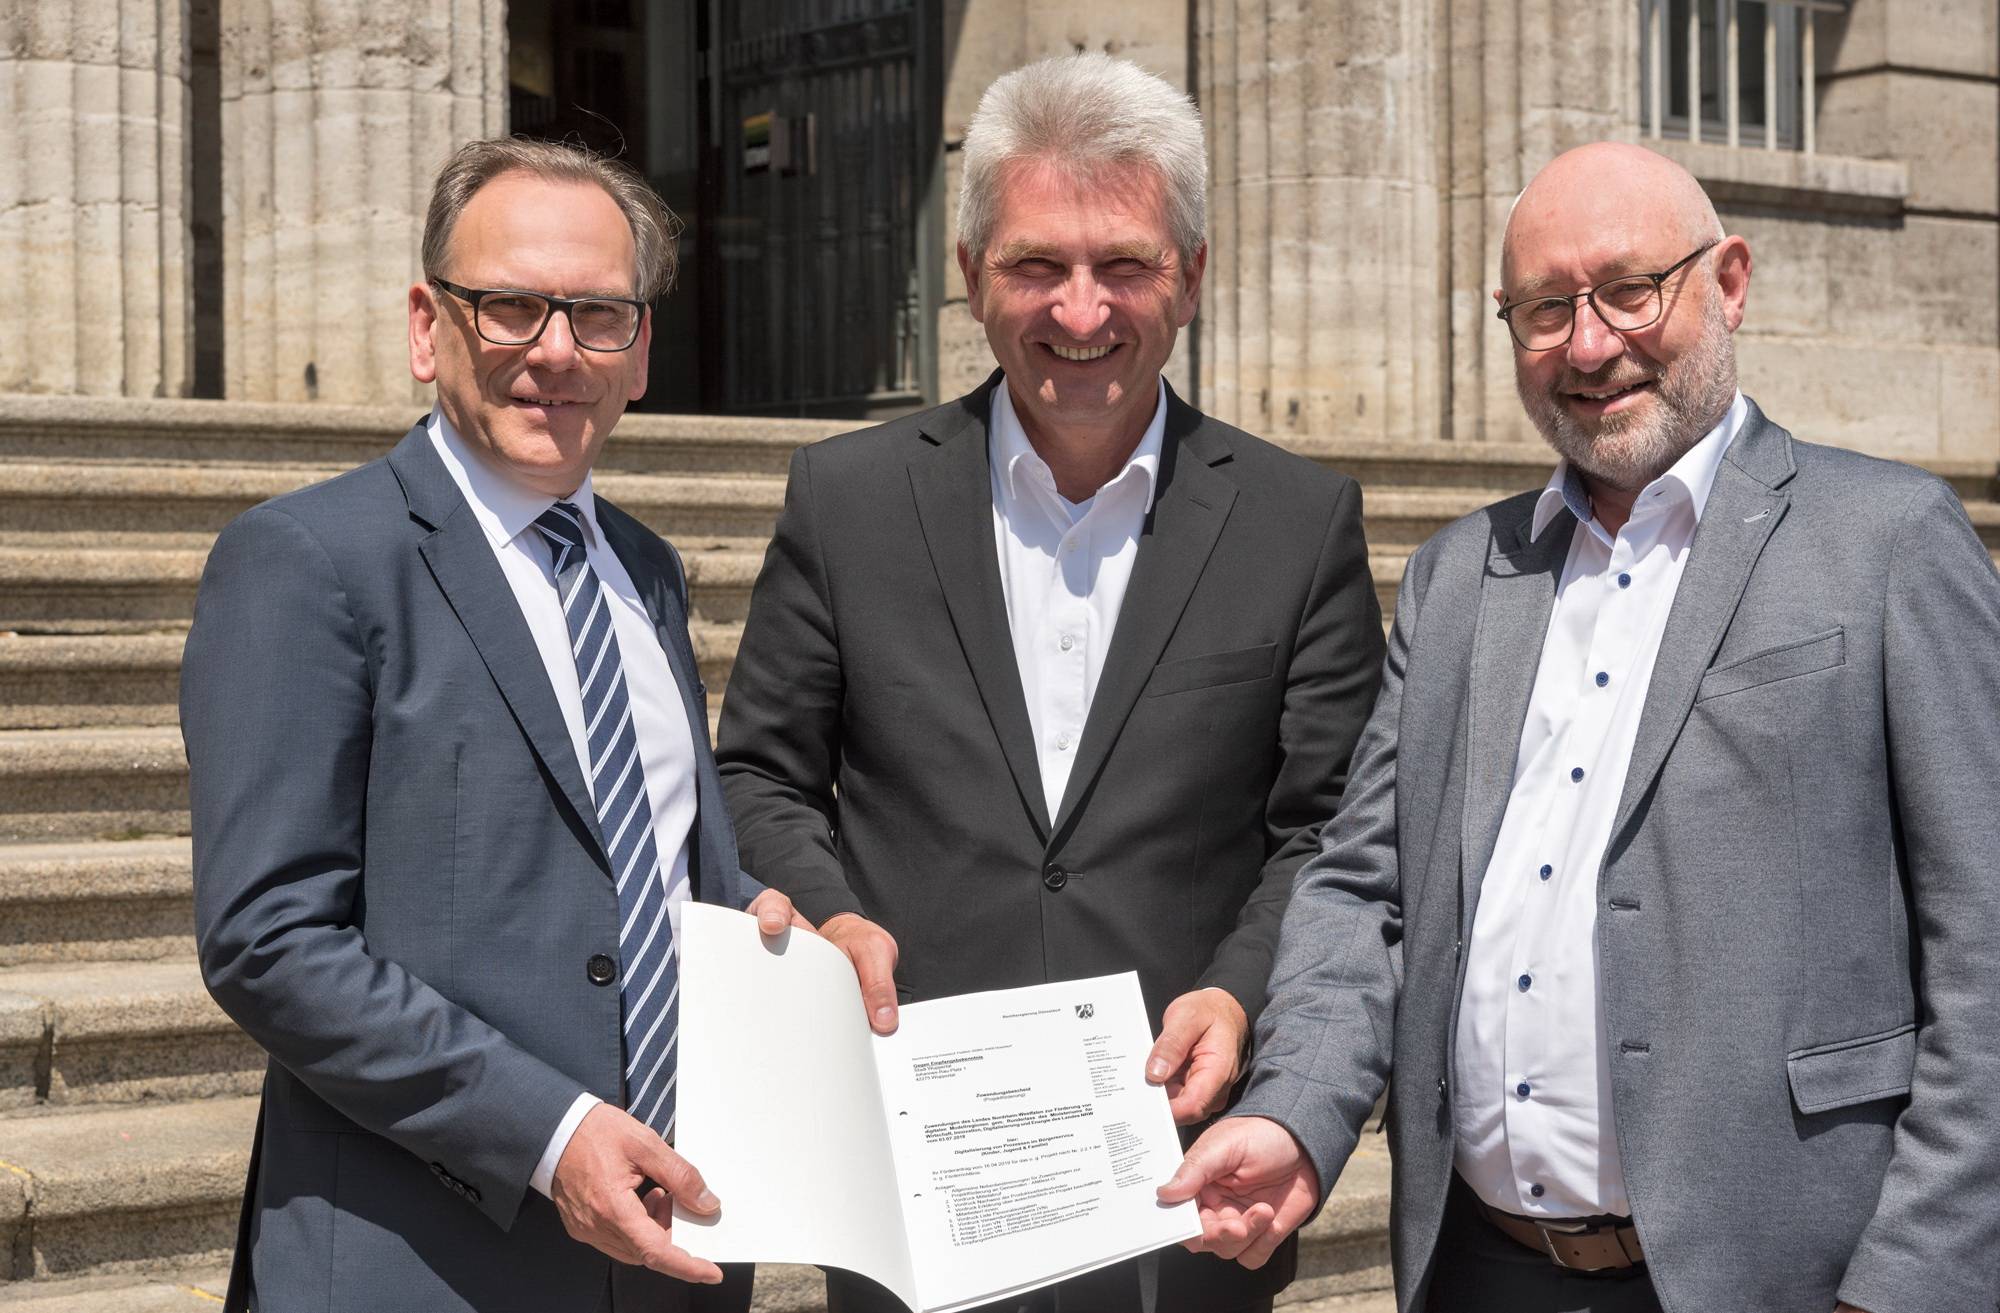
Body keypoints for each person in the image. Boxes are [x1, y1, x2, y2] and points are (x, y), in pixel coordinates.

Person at [1159, 141, 2000, 1313]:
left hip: (1784, 1278)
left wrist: (1910, 1280)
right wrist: (1293, 1108)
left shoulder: (1887, 541)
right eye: (1544, 308)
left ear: (1730, 282)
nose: (1589, 343)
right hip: (1479, 1269)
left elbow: (1986, 946)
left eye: (1627, 289)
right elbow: (1364, 893)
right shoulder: (1460, 576)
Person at [714, 53, 1385, 1313]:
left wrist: (1239, 994)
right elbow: (757, 769)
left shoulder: (1298, 521)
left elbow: (1328, 828)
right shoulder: (848, 499)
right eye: (1036, 264)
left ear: (1188, 275)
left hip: (1181, 1181)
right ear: (969, 277)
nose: (1080, 311)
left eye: (1123, 263)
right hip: (920, 1172)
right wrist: (831, 915)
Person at [182, 138, 895, 1313]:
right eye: (508, 305)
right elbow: (268, 938)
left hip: (674, 1256)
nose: (555, 350)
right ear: (426, 326)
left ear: (641, 350)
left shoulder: (649, 572)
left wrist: (781, 934)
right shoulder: (309, 562)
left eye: (598, 314)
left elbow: (655, 862)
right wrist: (550, 1134)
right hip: (418, 1262)